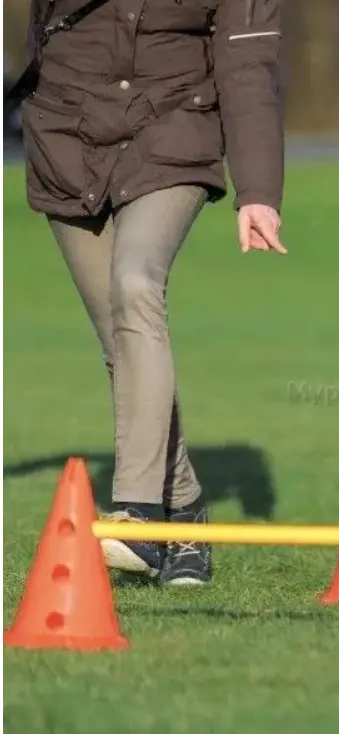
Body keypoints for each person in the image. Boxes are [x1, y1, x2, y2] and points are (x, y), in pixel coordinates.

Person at [12, 0, 287, 586]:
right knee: (122, 342)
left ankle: (136, 515)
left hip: (172, 132)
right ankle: (185, 510)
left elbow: (248, 65)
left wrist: (258, 191)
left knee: (136, 284)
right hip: (67, 138)